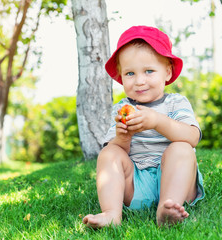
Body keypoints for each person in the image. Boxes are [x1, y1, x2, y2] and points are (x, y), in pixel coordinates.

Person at [82, 25, 205, 228]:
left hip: (177, 181)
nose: (139, 81)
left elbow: (192, 137)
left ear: (167, 72)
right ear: (121, 76)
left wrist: (157, 121)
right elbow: (117, 152)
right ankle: (112, 214)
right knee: (109, 152)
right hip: (136, 184)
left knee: (182, 148)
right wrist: (123, 138)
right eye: (130, 73)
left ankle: (168, 209)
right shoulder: (123, 108)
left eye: (149, 71)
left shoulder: (176, 103)